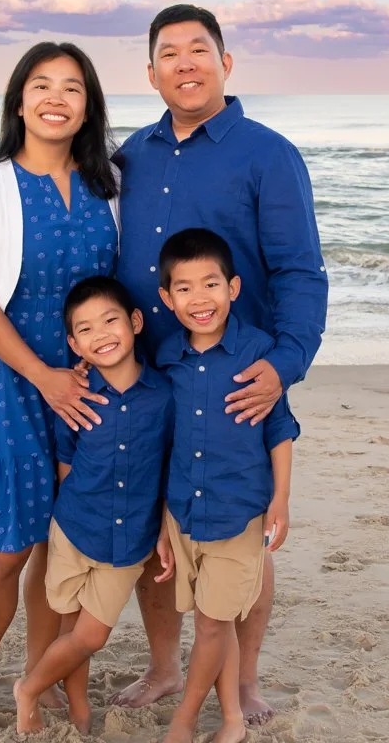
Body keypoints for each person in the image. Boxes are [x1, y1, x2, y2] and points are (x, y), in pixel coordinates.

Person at [110, 4, 328, 724]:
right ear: (150, 73)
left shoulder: (268, 152)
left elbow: (300, 271)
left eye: (198, 49)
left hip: (238, 379)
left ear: (225, 62)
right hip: (149, 377)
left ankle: (245, 682)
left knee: (243, 538)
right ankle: (166, 668)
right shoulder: (131, 156)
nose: (184, 63)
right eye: (168, 53)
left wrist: (286, 364)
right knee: (155, 532)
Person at [0, 42, 120, 733]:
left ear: (87, 107)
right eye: (41, 85)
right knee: (9, 546)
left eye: (72, 88)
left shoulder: (110, 188)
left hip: (91, 388)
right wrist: (42, 375)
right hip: (16, 383)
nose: (56, 98)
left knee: (64, 552)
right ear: (19, 101)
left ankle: (40, 679)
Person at [152, 228, 298, 743]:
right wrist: (163, 523)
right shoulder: (167, 358)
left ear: (233, 288)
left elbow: (279, 427)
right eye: (185, 288)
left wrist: (281, 497)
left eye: (211, 284)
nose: (200, 299)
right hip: (185, 511)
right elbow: (164, 440)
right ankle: (233, 720)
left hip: (239, 512)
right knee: (212, 619)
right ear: (167, 300)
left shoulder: (259, 352)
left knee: (212, 625)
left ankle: (185, 721)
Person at [13, 275, 173, 735]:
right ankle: (78, 705)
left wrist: (164, 526)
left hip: (129, 542)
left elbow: (169, 468)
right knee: (70, 632)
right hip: (74, 530)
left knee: (91, 636)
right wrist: (62, 518)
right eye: (85, 329)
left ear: (136, 321)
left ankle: (29, 687)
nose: (101, 334)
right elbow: (66, 463)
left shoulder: (164, 397)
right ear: (74, 343)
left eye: (110, 320)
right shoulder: (76, 396)